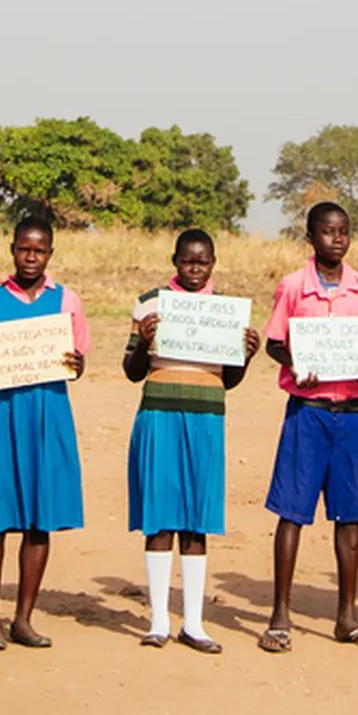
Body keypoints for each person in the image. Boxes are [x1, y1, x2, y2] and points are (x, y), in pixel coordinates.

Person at [123, 228, 261, 652]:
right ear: (175, 261)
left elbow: (230, 379)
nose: (195, 268)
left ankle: (195, 622)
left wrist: (247, 355)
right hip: (159, 415)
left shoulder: (226, 312)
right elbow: (131, 370)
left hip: (206, 419)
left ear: (213, 263)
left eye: (202, 262)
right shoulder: (150, 303)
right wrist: (145, 342)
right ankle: (159, 620)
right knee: (160, 517)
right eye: (187, 261)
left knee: (197, 521)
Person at [258, 202, 358, 653]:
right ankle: (280, 617)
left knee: (350, 516)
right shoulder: (293, 286)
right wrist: (298, 363)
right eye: (328, 231)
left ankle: (347, 616)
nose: (337, 238)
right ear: (310, 237)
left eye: (344, 231)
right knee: (292, 512)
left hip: (352, 414)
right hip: (307, 412)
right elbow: (275, 343)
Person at [0, 214, 89, 651]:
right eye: (23, 249)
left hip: (47, 414)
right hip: (0, 415)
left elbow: (77, 362)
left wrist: (77, 365)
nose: (30, 257)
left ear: (50, 253)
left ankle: (24, 618)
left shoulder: (68, 301)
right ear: (12, 249)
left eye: (39, 250)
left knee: (40, 519)